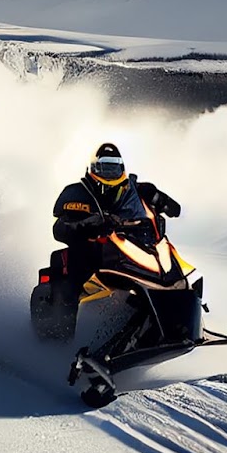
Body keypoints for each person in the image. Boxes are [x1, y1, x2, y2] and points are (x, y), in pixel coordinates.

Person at [35, 143, 182, 336]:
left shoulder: (137, 190)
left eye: (114, 167)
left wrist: (163, 202)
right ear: (94, 168)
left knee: (177, 272)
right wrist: (90, 224)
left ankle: (181, 321)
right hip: (94, 254)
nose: (110, 172)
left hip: (135, 248)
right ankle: (64, 336)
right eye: (105, 167)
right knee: (70, 285)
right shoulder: (78, 193)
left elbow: (173, 208)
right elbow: (61, 228)